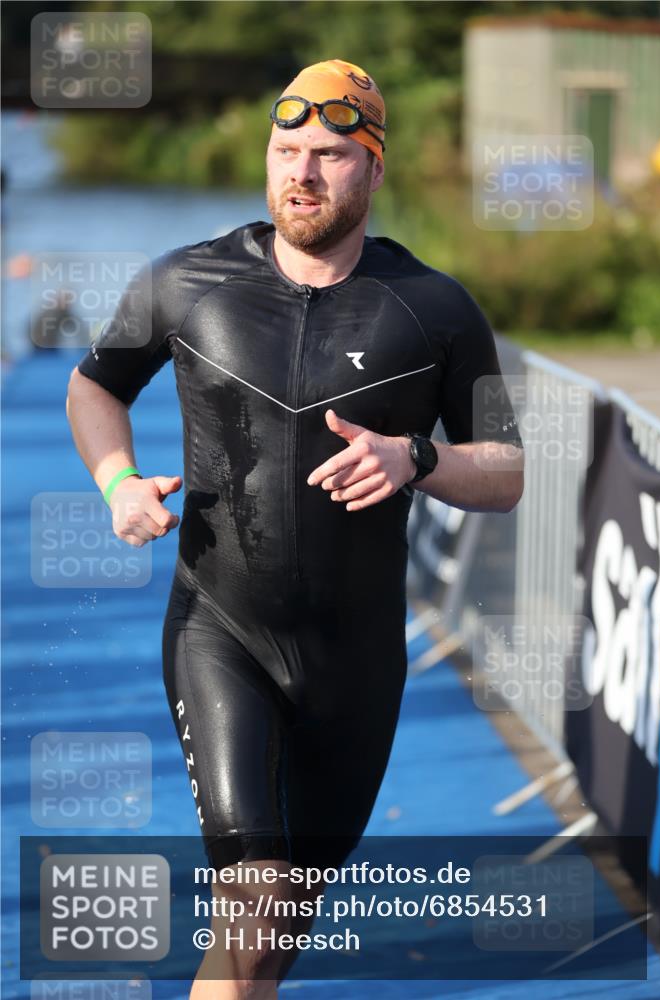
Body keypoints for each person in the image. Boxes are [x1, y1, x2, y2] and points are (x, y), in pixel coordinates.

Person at [66, 58, 524, 999]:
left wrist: (417, 460)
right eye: (285, 151)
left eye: (328, 153)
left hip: (355, 659)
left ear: (373, 169)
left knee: (275, 931)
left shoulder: (434, 309)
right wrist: (117, 484)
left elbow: (508, 471)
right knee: (258, 900)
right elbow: (94, 385)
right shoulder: (187, 282)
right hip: (218, 630)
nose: (301, 173)